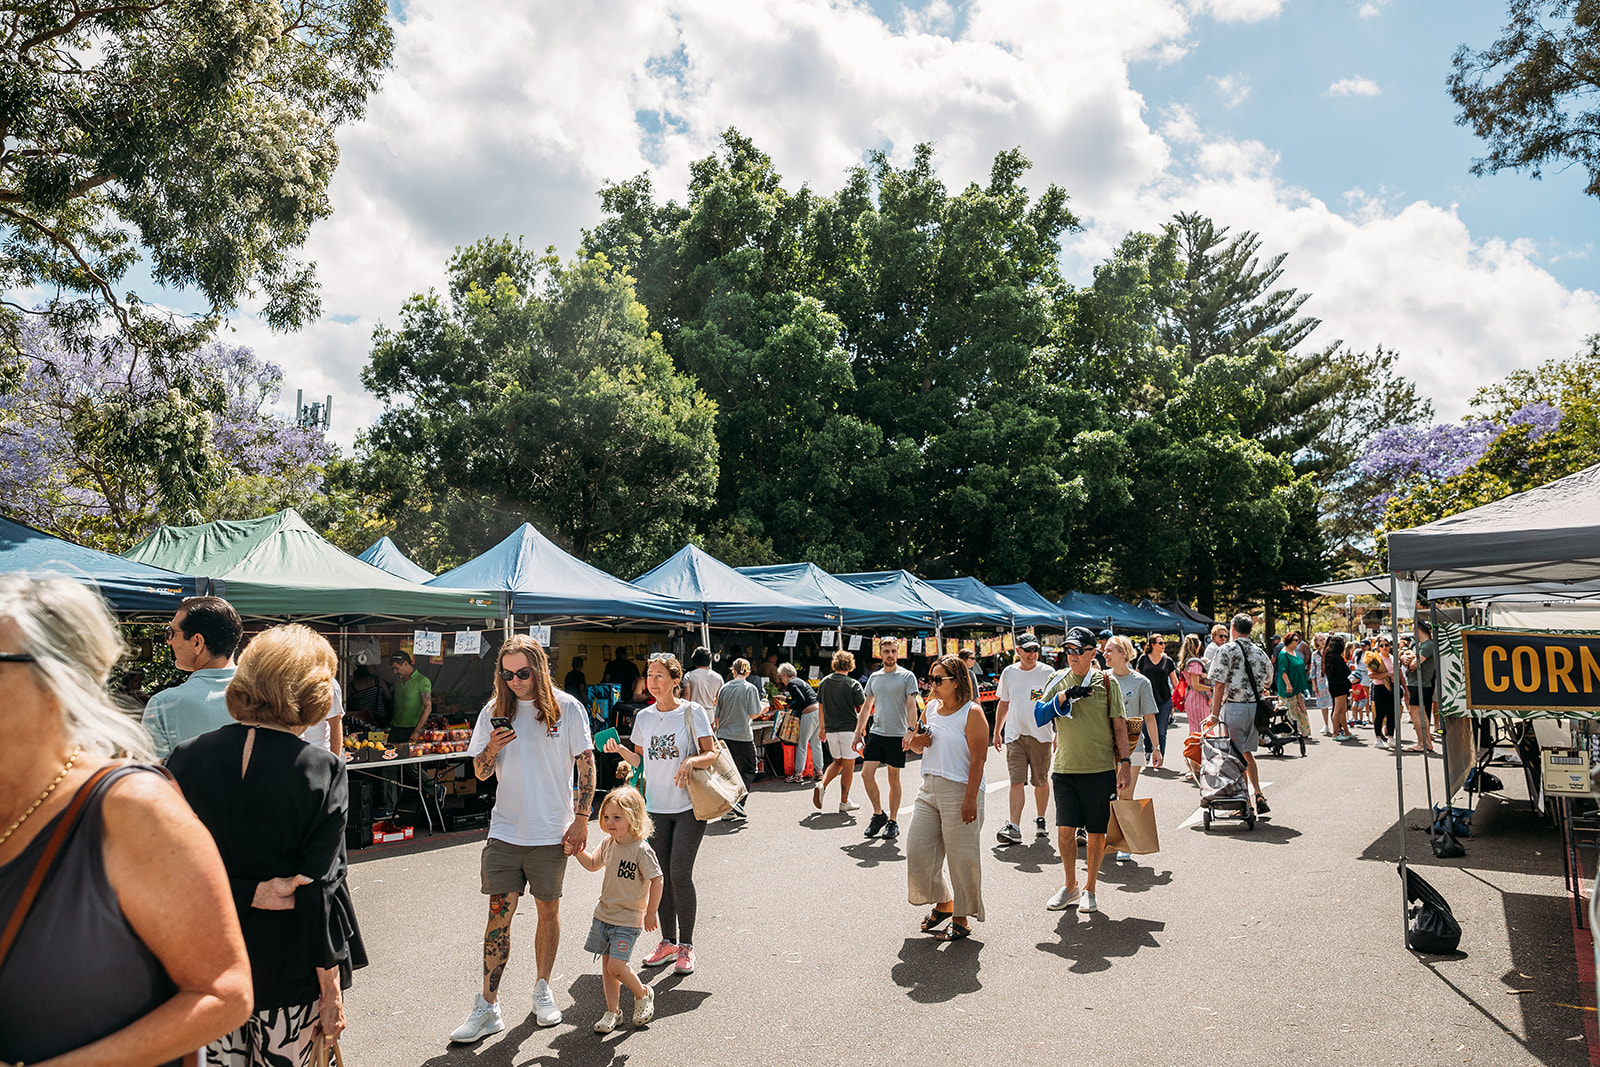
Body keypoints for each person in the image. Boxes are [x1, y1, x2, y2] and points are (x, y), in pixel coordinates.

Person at [0, 574, 252, 1067]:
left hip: (166, 863)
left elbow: (224, 991)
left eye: (174, 633)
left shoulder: (131, 806)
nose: (169, 641)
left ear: (60, 680)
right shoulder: (254, 699)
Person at [166, 623, 367, 1065]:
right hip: (289, 971)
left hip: (207, 964)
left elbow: (167, 872)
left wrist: (243, 891)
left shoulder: (184, 758)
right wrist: (331, 993)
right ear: (312, 693)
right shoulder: (322, 770)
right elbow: (318, 889)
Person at [451, 635, 596, 1041]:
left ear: (539, 668)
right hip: (505, 832)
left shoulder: (566, 708)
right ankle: (488, 1006)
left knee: (548, 912)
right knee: (498, 917)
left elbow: (586, 764)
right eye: (507, 673)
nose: (515, 680)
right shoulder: (493, 712)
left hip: (551, 832)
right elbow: (479, 772)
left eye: (523, 673)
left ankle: (542, 989)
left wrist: (582, 818)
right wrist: (492, 749)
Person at [605, 653, 717, 976]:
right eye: (649, 676)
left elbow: (710, 753)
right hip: (654, 809)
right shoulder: (644, 717)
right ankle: (667, 942)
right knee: (660, 876)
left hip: (688, 808)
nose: (652, 682)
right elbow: (641, 762)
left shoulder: (692, 712)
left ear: (674, 682)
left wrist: (691, 761)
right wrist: (620, 750)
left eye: (659, 676)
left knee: (680, 873)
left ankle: (687, 945)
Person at [1037, 627, 1131, 915]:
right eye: (1068, 650)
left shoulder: (1107, 682)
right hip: (1065, 768)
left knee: (1095, 832)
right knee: (1064, 832)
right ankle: (1070, 885)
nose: (1072, 656)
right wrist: (1063, 696)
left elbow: (1119, 726)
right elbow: (1040, 716)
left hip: (1100, 769)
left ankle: (1090, 888)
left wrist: (1125, 764)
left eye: (1078, 651)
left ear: (1093, 653)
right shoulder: (1057, 679)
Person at [906, 655, 990, 942]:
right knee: (918, 851)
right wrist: (919, 741)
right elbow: (915, 747)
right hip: (928, 787)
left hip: (960, 790)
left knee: (961, 858)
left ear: (957, 682)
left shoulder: (972, 712)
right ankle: (944, 902)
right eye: (931, 678)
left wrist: (970, 799)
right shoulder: (929, 708)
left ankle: (962, 919)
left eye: (939, 679)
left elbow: (979, 760)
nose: (933, 684)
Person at [572, 786, 662, 1033]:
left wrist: (651, 911)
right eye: (607, 817)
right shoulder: (609, 843)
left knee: (616, 967)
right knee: (608, 968)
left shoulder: (641, 850)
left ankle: (643, 993)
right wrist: (576, 851)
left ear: (633, 818)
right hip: (604, 916)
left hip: (628, 919)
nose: (610, 823)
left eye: (617, 818)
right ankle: (613, 1012)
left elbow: (657, 879)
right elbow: (592, 864)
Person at [142, 595, 243, 758]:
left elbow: (154, 775)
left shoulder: (163, 705)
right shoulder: (269, 696)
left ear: (197, 642)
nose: (168, 641)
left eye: (172, 633)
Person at [854, 638, 921, 841]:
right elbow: (867, 707)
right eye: (886, 651)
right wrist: (858, 731)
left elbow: (912, 707)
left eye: (893, 651)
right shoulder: (874, 677)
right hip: (877, 732)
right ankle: (878, 815)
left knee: (893, 778)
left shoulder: (907, 676)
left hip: (897, 735)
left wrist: (910, 731)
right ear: (880, 653)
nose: (890, 655)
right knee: (866, 774)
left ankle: (893, 821)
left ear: (898, 653)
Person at [1205, 614, 1274, 814]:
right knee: (1247, 754)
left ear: (1233, 627)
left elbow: (1218, 684)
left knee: (1234, 756)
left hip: (1233, 707)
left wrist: (1214, 714)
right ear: (1250, 629)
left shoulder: (1225, 650)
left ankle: (1245, 803)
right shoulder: (1259, 652)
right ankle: (1259, 794)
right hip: (1254, 708)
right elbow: (1269, 679)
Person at [991, 634, 1055, 845]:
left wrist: (1059, 734)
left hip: (1041, 735)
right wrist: (997, 730)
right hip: (1015, 734)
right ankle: (1015, 826)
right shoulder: (1009, 673)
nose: (1032, 653)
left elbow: (1058, 706)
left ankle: (1041, 818)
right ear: (1017, 651)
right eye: (1027, 649)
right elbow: (1004, 703)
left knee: (1040, 781)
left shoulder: (1048, 672)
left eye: (1035, 649)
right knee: (1016, 780)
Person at [1105, 635, 1159, 861]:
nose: (1105, 654)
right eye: (1104, 651)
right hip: (1104, 746)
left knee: (1125, 792)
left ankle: (1125, 843)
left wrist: (1156, 747)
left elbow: (1149, 718)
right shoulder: (1102, 679)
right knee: (1108, 795)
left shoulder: (1141, 682)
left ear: (1123, 654)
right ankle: (1109, 838)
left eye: (1109, 651)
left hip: (1134, 747)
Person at [815, 650, 864, 814]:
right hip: (849, 729)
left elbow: (820, 707)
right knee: (849, 766)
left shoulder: (824, 682)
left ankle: (822, 785)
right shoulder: (853, 684)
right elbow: (863, 709)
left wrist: (822, 728)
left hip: (831, 730)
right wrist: (861, 729)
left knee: (837, 762)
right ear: (850, 665)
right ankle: (844, 801)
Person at [713, 658, 760, 819]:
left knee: (729, 773)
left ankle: (727, 808)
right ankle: (737, 803)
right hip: (742, 735)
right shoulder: (750, 688)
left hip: (724, 735)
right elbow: (754, 713)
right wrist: (764, 707)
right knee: (749, 769)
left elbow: (716, 716)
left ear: (733, 670)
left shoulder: (724, 688)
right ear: (748, 672)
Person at [1134, 633, 1178, 760]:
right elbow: (1137, 678)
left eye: (1164, 643)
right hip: (1146, 699)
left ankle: (1160, 756)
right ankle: (1148, 751)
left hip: (1164, 699)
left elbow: (1174, 681)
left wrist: (1179, 698)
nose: (1163, 645)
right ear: (1152, 645)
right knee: (1146, 730)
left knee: (1161, 731)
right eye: (1160, 643)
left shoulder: (1168, 661)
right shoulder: (1143, 659)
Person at [779, 662, 822, 784]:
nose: (782, 680)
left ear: (786, 675)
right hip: (818, 712)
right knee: (816, 744)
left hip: (808, 714)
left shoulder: (792, 684)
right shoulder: (800, 681)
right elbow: (803, 697)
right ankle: (819, 771)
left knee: (802, 744)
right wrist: (788, 699)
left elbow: (800, 700)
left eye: (781, 677)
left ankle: (798, 774)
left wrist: (790, 704)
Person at [1178, 634, 1213, 779]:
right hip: (1198, 698)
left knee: (1194, 732)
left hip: (1191, 697)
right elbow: (1196, 684)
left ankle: (1194, 767)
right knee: (1202, 732)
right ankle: (1198, 767)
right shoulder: (1195, 663)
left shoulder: (1186, 662)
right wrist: (1211, 689)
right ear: (1197, 645)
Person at [1403, 621, 1439, 754]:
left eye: (1413, 631)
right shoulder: (1422, 645)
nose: (1412, 634)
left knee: (1416, 713)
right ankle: (1426, 742)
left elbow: (1414, 664)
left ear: (1418, 631)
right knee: (1421, 712)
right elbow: (1410, 661)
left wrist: (1408, 662)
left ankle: (1421, 743)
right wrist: (1407, 660)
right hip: (1420, 683)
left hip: (1420, 683)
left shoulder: (1427, 645)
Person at [388, 650, 433, 742]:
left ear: (405, 664)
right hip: (395, 729)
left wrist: (417, 731)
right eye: (393, 669)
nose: (394, 672)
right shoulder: (399, 682)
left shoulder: (422, 681)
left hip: (412, 729)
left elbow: (428, 707)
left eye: (396, 668)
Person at [1274, 631, 1312, 737]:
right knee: (1290, 711)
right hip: (1288, 688)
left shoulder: (1294, 652)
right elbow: (1283, 671)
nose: (1298, 642)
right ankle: (1289, 732)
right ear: (1289, 641)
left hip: (1297, 687)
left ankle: (1304, 731)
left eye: (1298, 640)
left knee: (1301, 709)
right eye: (1296, 640)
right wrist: (1288, 684)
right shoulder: (1284, 654)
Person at [1367, 637, 1400, 750]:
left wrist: (1405, 688)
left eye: (1386, 645)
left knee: (1392, 713)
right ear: (1378, 647)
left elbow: (1399, 673)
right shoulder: (1376, 659)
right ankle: (1378, 739)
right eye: (1381, 645)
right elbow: (1371, 675)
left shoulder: (1393, 658)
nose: (1384, 647)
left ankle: (1391, 737)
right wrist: (1387, 674)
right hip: (1380, 687)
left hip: (1393, 687)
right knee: (1380, 714)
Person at [344, 664, 389, 730]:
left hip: (362, 720)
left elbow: (345, 702)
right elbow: (388, 696)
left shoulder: (351, 687)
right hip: (380, 717)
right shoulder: (378, 681)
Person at [1325, 635, 1353, 740]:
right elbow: (1344, 672)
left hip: (1335, 685)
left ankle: (1346, 731)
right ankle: (1336, 732)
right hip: (1340, 686)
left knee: (1342, 709)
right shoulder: (1337, 658)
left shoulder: (1329, 656)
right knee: (1338, 709)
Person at [682, 646, 723, 715]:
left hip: (693, 713)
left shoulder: (689, 676)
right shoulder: (718, 678)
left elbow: (687, 697)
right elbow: (719, 700)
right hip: (709, 713)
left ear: (694, 660)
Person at [1310, 633, 1332, 736]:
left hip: (1330, 679)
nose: (1323, 641)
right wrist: (1314, 684)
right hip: (1320, 681)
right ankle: (1326, 724)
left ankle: (1337, 724)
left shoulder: (1330, 652)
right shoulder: (1315, 654)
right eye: (1321, 640)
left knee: (1334, 703)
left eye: (1324, 639)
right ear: (1317, 643)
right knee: (1324, 705)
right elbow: (1313, 670)